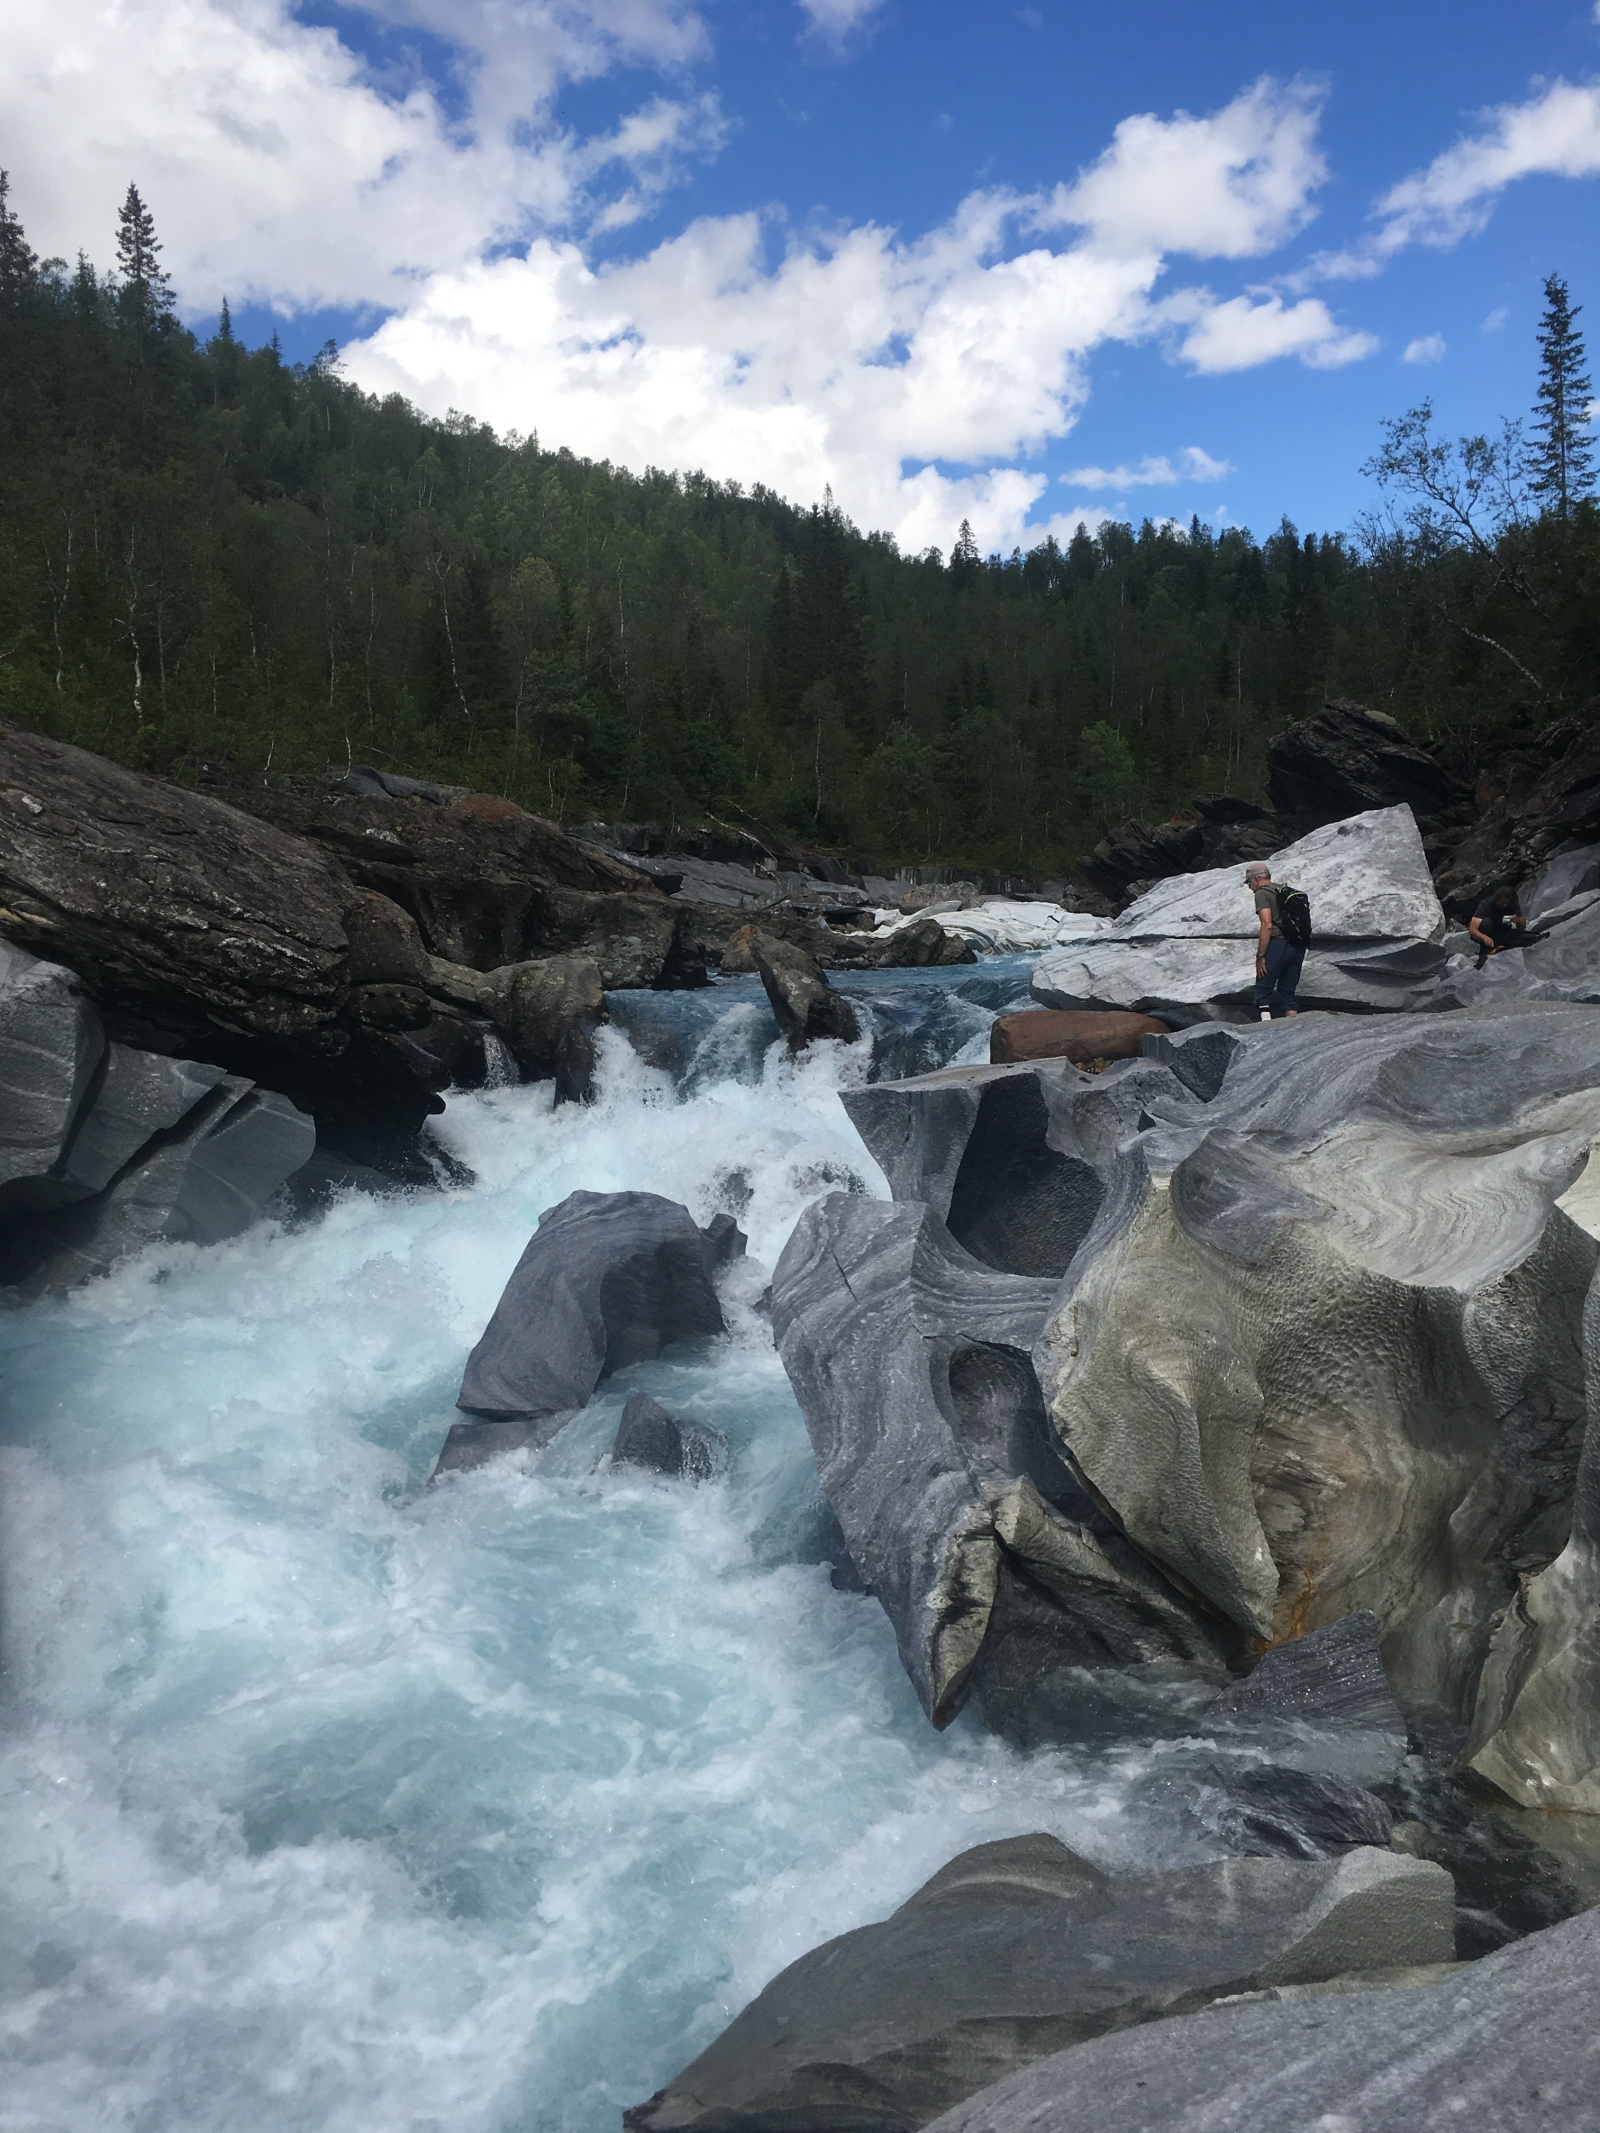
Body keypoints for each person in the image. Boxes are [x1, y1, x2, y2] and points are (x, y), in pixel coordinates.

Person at [1246, 863, 1302, 1021]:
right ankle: (1292, 1029)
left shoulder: (1262, 894)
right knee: (1287, 993)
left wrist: (1260, 957)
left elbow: (1267, 925)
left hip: (1278, 944)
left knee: (1262, 991)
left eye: (1249, 883)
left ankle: (1266, 1030)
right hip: (1297, 945)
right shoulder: (1284, 890)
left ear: (1257, 879)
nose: (1250, 888)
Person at [1468, 885, 1527, 967]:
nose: (1504, 906)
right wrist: (1484, 937)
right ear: (1497, 899)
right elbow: (1472, 929)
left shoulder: (1513, 906)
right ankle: (1485, 951)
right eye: (1502, 903)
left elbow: (1523, 926)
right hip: (1487, 933)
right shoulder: (1485, 905)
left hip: (1502, 932)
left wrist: (1518, 922)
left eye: (1507, 904)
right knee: (1486, 922)